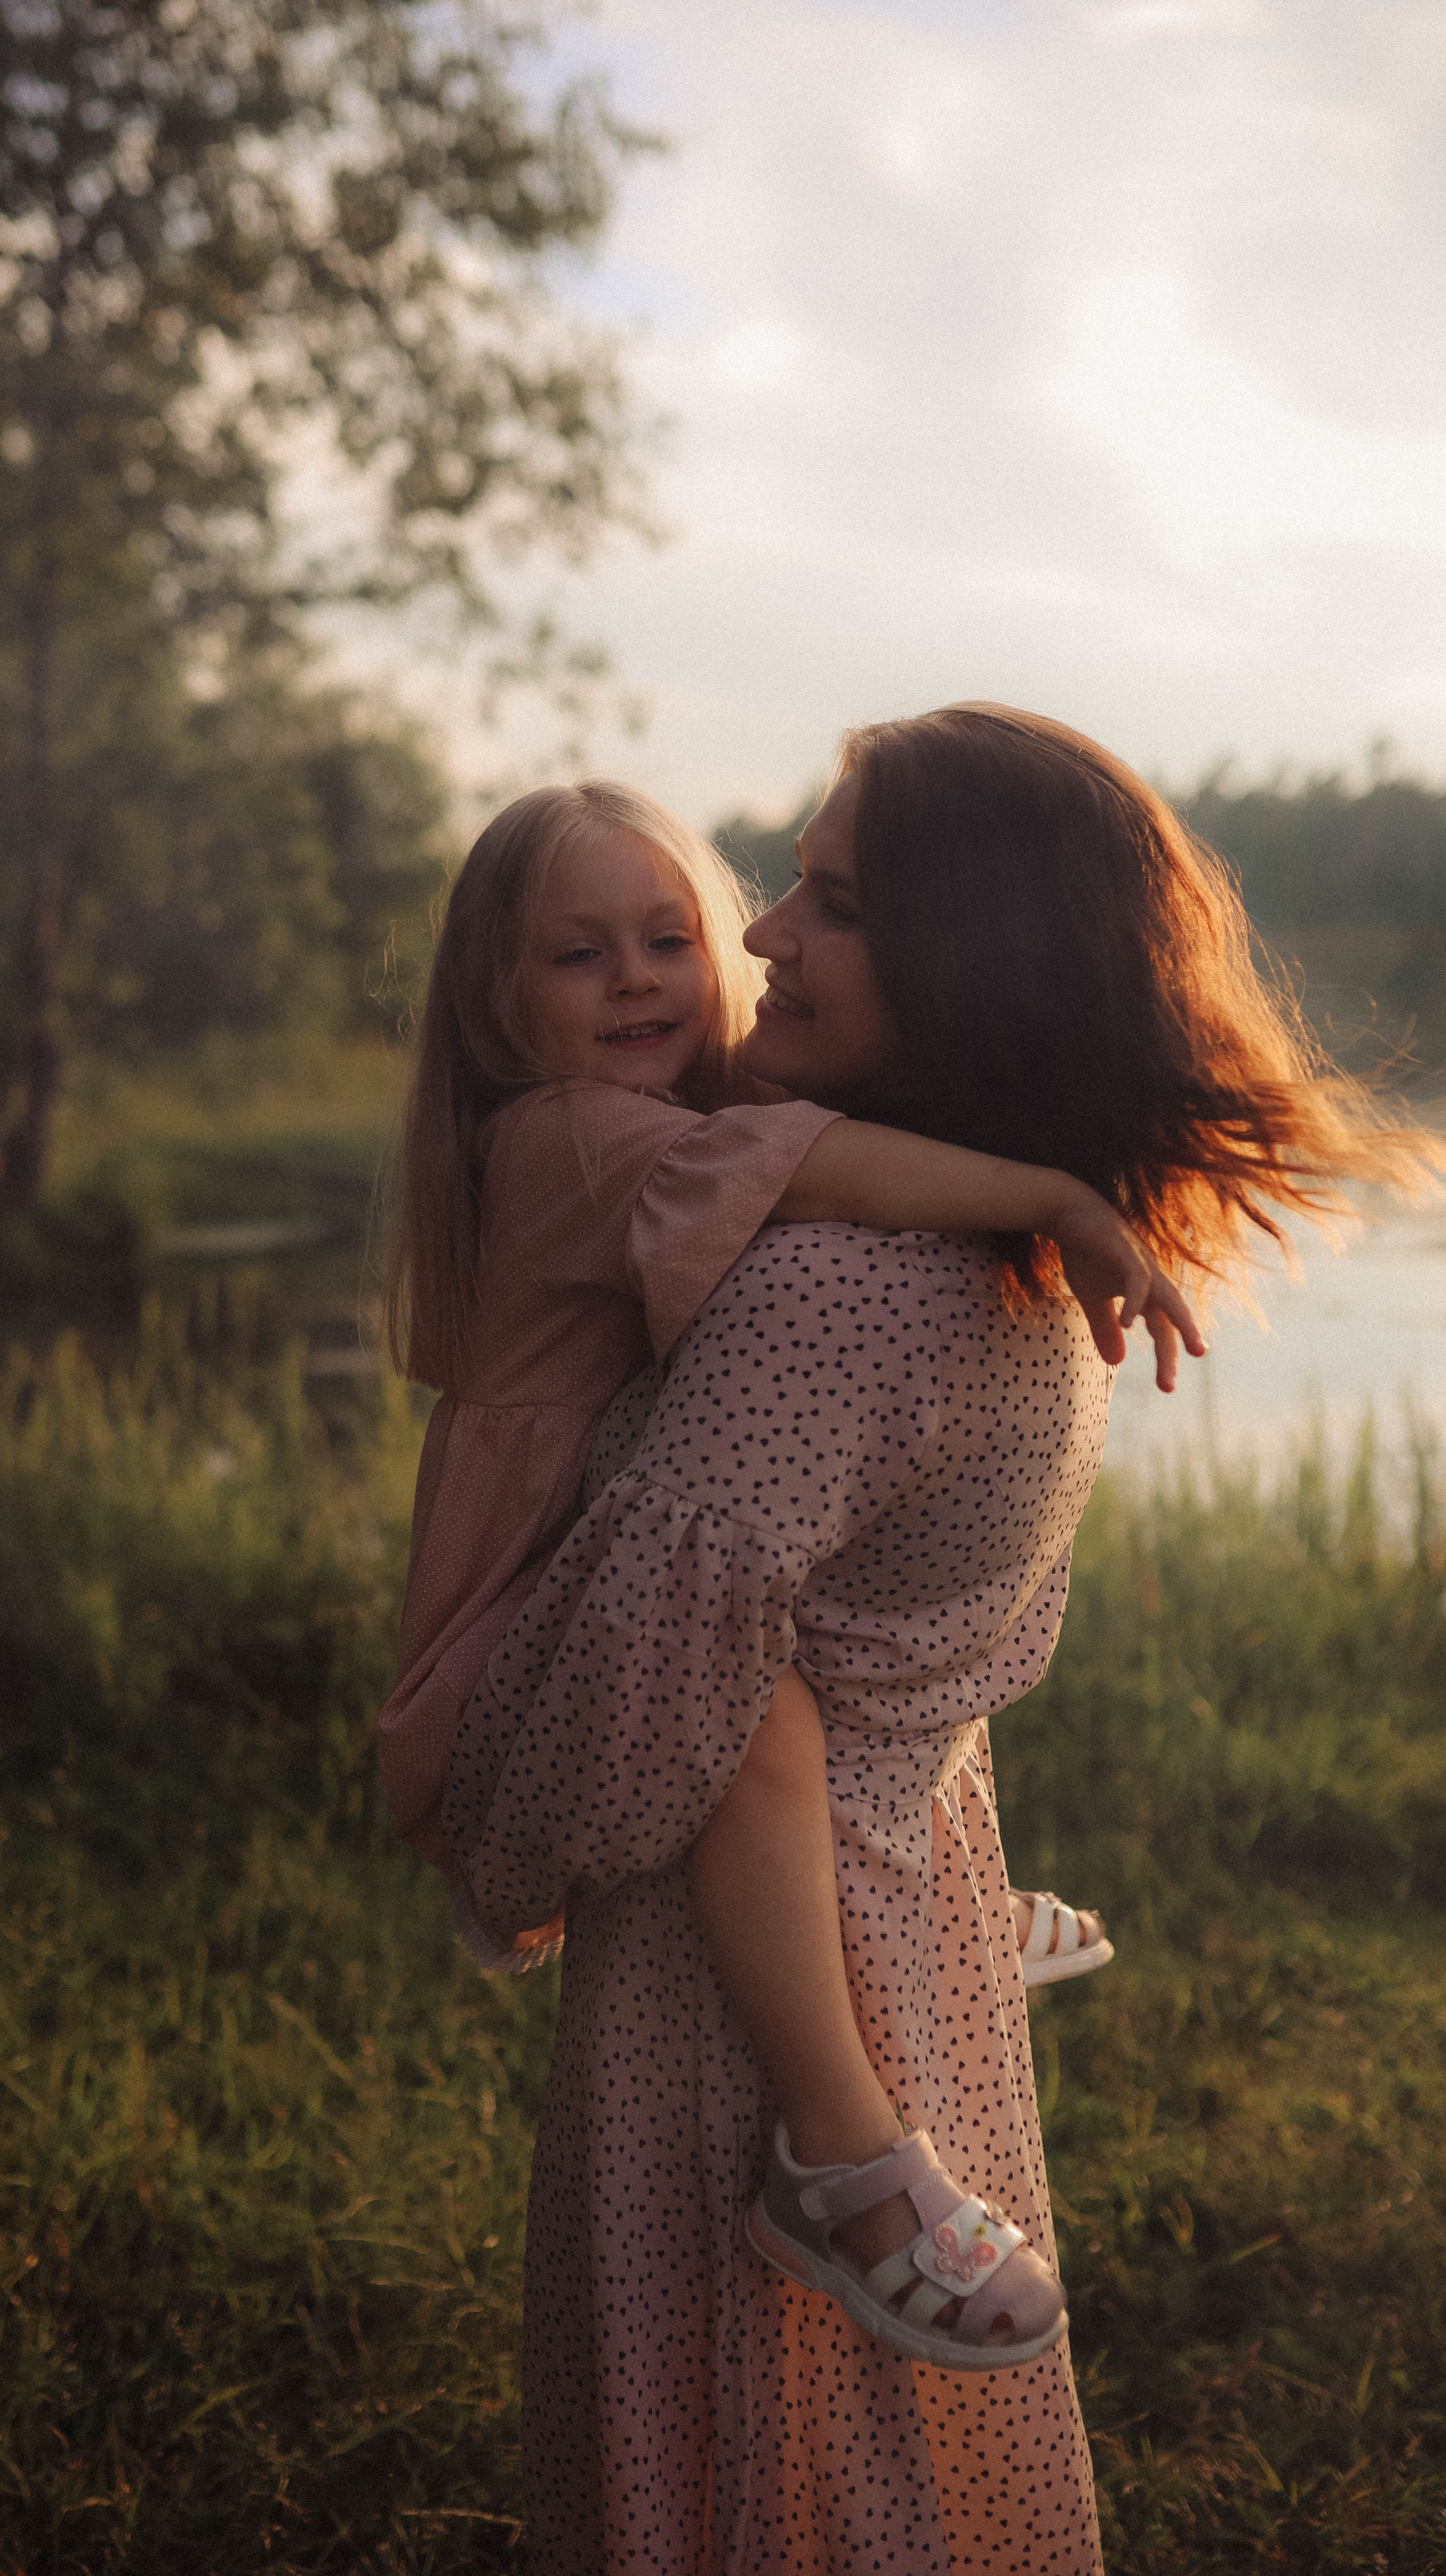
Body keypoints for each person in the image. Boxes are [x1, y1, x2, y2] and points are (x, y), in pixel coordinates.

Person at [443, 708, 1430, 2573]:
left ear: (972, 953)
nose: (755, 943)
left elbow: (640, 1711)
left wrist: (479, 1830)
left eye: (828, 901)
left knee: (788, 2478)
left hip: (746, 2013)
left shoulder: (830, 1281)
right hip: (899, 1922)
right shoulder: (995, 1256)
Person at [379, 773, 1202, 2334]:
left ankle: (940, 1913)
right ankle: (837, 2158)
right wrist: (1051, 1196)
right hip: (527, 1621)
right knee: (751, 1704)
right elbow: (821, 1166)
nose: (640, 980)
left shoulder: (695, 1120)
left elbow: (814, 1147)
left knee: (782, 1667)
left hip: (603, 1574)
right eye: (577, 957)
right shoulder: (562, 1136)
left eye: (666, 939)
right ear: (497, 1010)